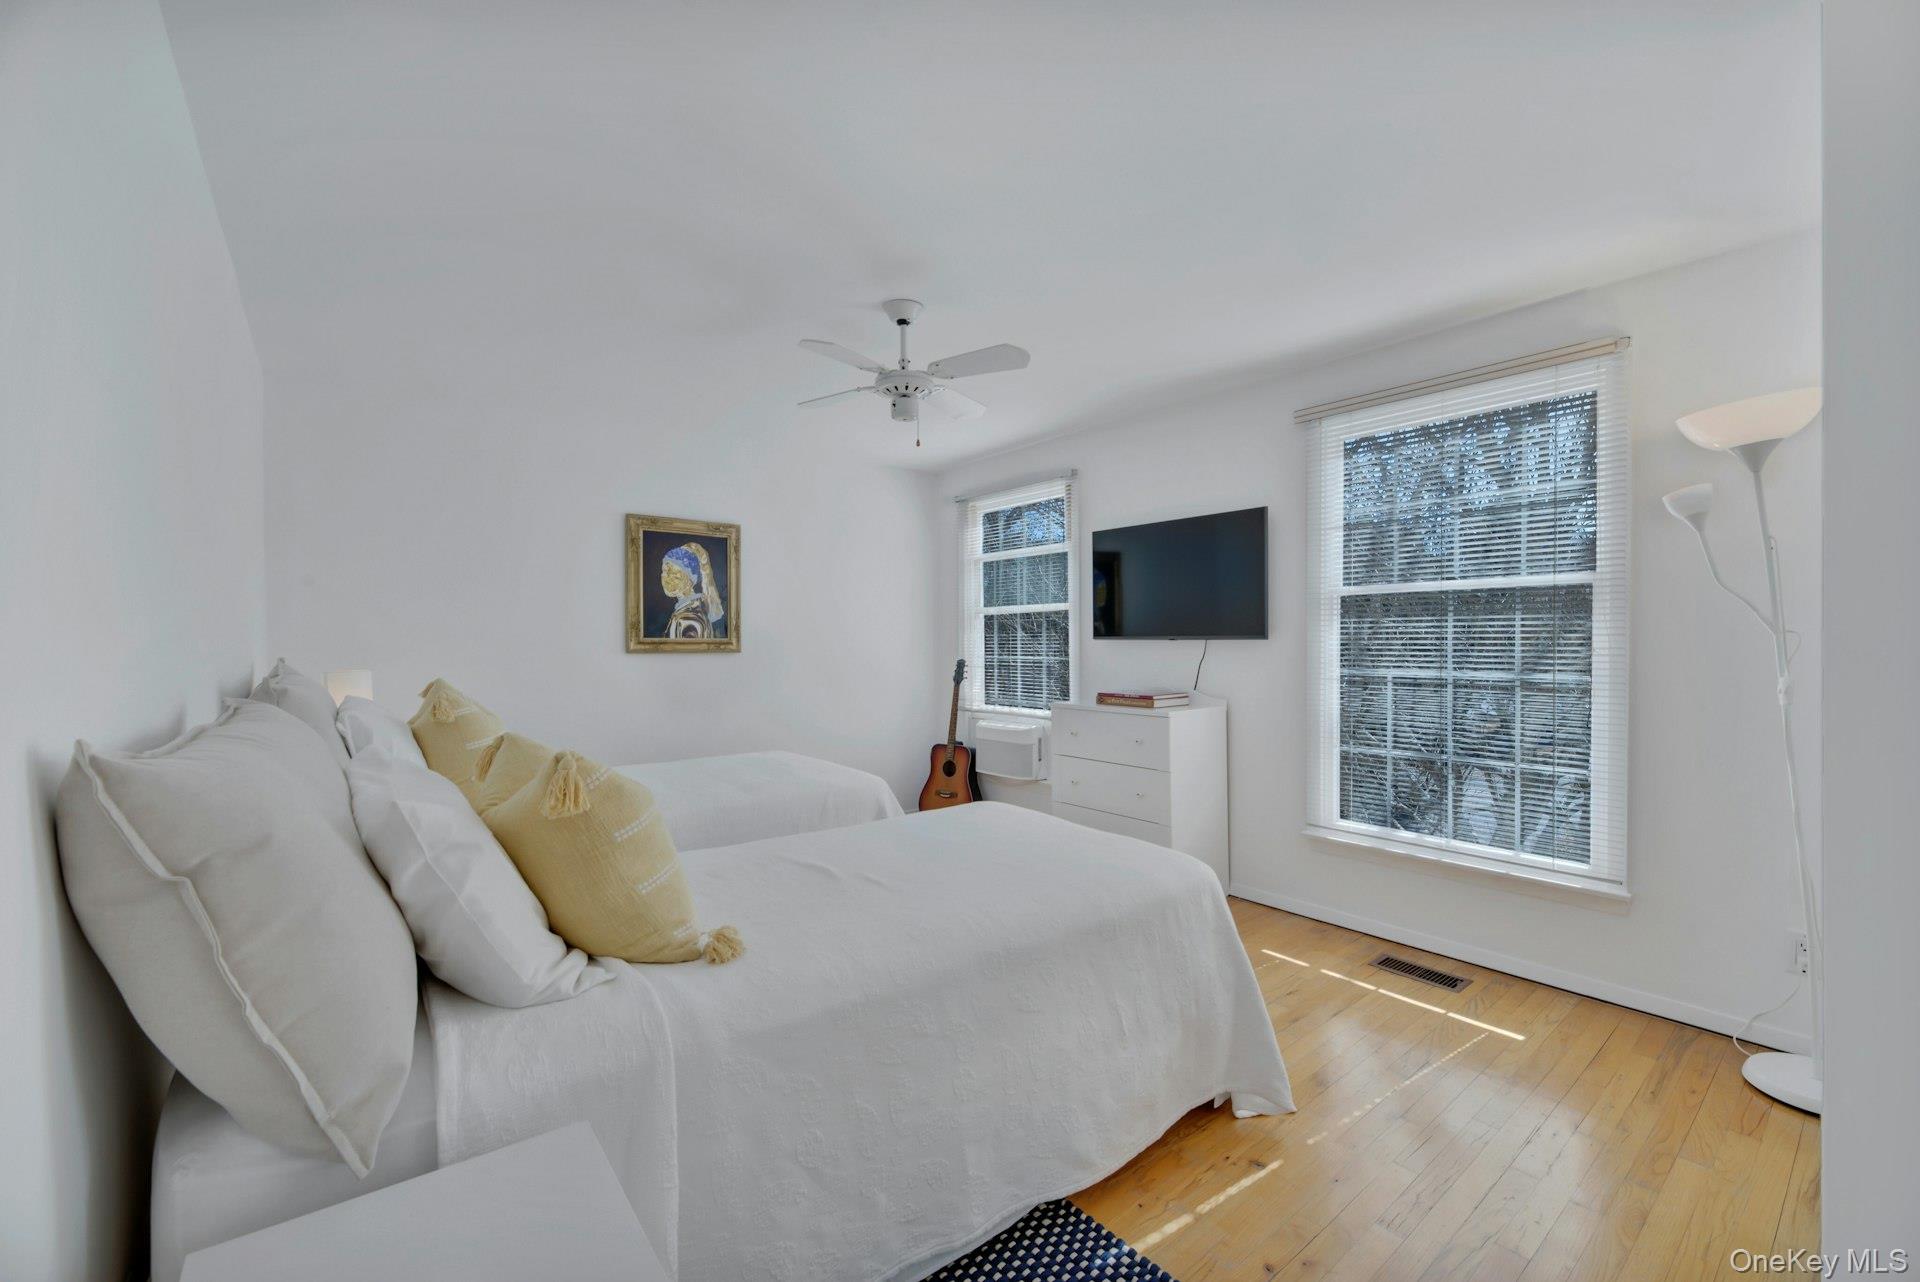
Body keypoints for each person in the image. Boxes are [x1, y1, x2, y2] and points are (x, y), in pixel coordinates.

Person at [660, 541, 726, 639]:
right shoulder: (690, 610)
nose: (666, 578)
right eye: (664, 571)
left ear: (690, 581)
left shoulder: (688, 620)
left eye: (674, 574)